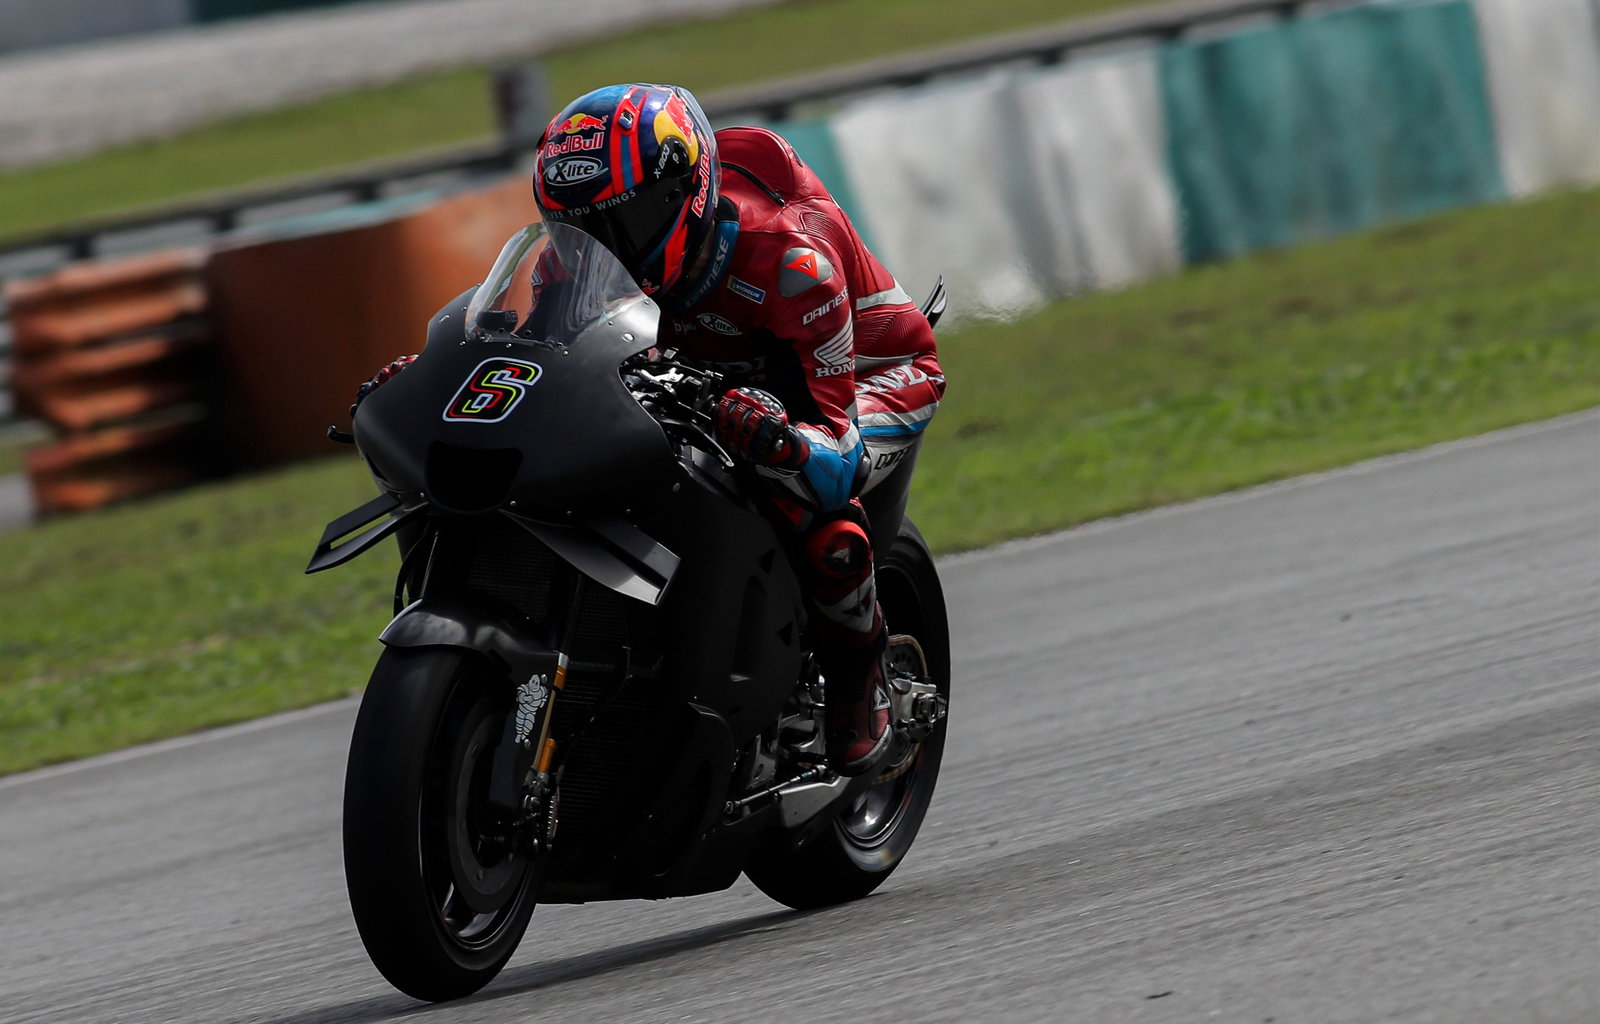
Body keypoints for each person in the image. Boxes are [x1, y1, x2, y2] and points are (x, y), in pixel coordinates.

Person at [364, 83, 945, 776]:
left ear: (686, 194)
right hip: (707, 377)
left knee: (804, 488)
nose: (601, 245)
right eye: (578, 227)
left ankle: (860, 685)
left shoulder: (790, 265)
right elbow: (544, 357)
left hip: (872, 378)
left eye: (627, 218)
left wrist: (779, 436)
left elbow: (836, 450)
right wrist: (442, 375)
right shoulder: (571, 264)